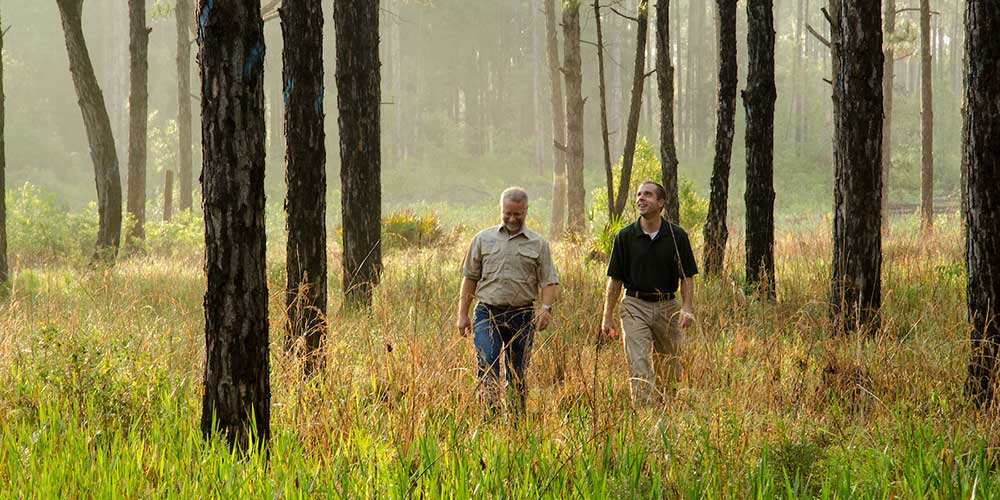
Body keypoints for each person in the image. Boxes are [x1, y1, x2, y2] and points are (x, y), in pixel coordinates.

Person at [457, 187, 559, 415]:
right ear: (501, 210)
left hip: (522, 315)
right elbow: (470, 278)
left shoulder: (538, 244)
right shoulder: (483, 239)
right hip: (487, 312)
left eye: (518, 214)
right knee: (488, 363)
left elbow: (548, 281)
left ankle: (515, 421)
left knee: (517, 372)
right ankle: (488, 417)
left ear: (526, 211)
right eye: (508, 214)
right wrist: (462, 314)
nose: (512, 219)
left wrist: (545, 309)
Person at [600, 181, 698, 405]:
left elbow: (687, 276)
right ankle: (644, 416)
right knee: (639, 362)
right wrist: (607, 315)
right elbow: (614, 280)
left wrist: (687, 307)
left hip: (667, 305)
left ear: (661, 203)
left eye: (648, 195)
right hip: (634, 305)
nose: (641, 199)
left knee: (670, 364)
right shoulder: (625, 237)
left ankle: (668, 410)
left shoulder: (676, 236)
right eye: (639, 195)